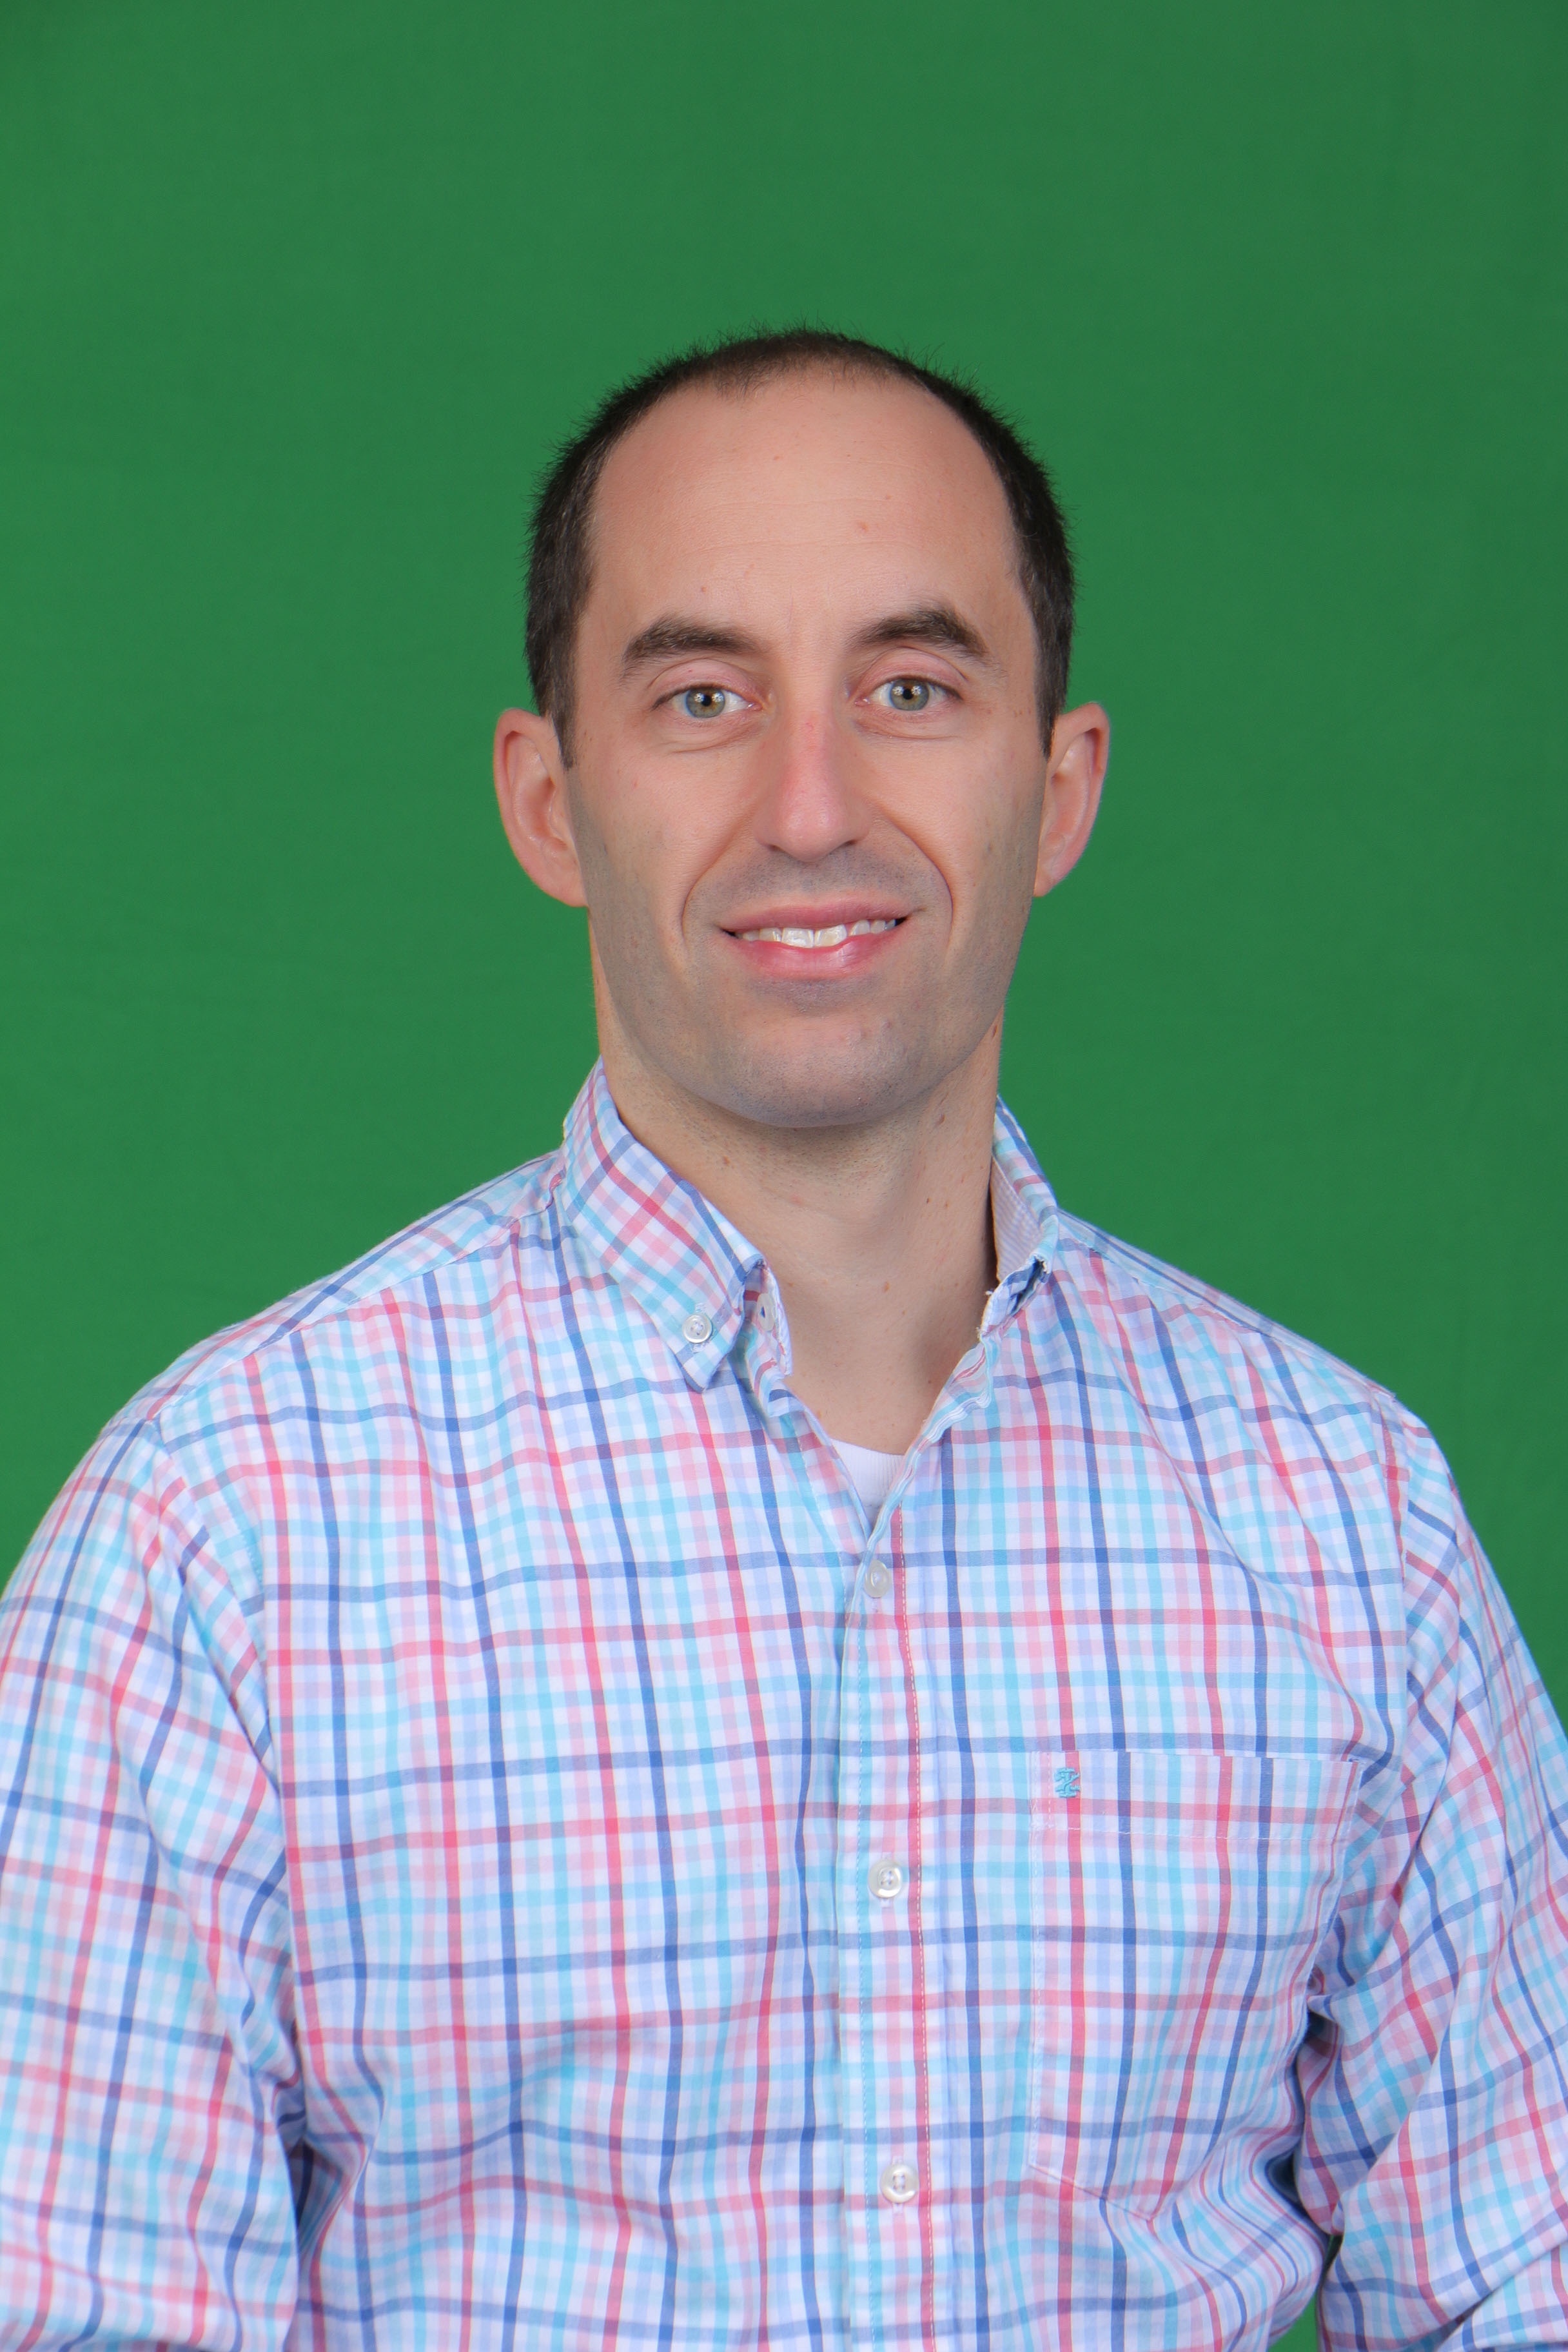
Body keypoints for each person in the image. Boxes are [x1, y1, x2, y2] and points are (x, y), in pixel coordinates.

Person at [1, 328, 1564, 2352]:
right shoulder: (217, 1540)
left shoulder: (1349, 1522)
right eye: (702, 697)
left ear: (1058, 787)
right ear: (549, 799)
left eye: (911, 689)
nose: (810, 806)